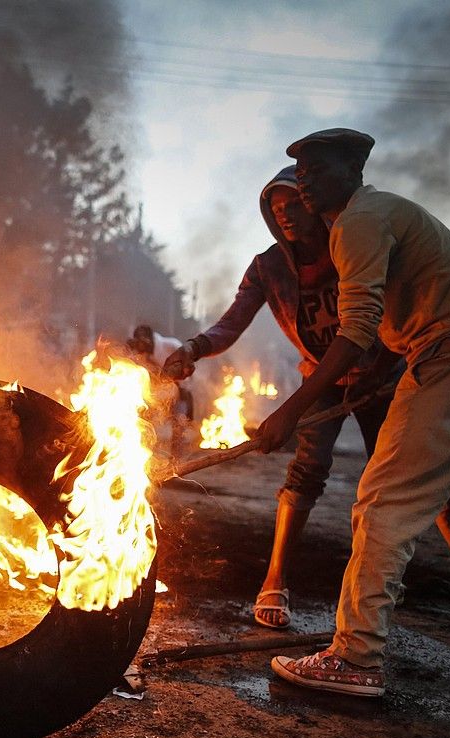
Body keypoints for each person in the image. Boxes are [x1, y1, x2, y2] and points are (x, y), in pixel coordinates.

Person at [258, 128, 450, 696]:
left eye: (317, 167)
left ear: (354, 168)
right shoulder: (368, 218)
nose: (304, 179)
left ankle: (355, 657)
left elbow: (356, 330)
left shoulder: (358, 221)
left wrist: (289, 412)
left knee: (383, 499)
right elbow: (383, 321)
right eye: (299, 170)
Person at [163, 166, 399, 630]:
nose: (286, 215)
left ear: (314, 203)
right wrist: (194, 347)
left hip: (382, 376)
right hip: (323, 378)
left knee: (388, 480)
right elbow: (231, 324)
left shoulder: (350, 245)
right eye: (276, 209)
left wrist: (393, 363)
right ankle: (275, 579)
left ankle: (380, 582)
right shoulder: (268, 268)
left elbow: (392, 306)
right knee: (305, 472)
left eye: (294, 204)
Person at [128, 324, 193, 457]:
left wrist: (180, 387)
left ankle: (176, 460)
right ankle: (145, 457)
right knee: (144, 424)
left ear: (149, 340)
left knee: (179, 424)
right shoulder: (143, 355)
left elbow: (188, 369)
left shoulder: (172, 345)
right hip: (158, 394)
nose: (140, 346)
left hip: (180, 390)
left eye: (142, 341)